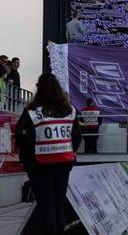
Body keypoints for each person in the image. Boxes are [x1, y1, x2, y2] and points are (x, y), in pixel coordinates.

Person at [15, 73, 82, 235]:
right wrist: (70, 153)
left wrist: (27, 161)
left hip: (41, 166)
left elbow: (21, 136)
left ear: (39, 89)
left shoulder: (32, 112)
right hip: (64, 163)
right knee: (59, 204)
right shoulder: (70, 110)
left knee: (46, 206)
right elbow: (77, 136)